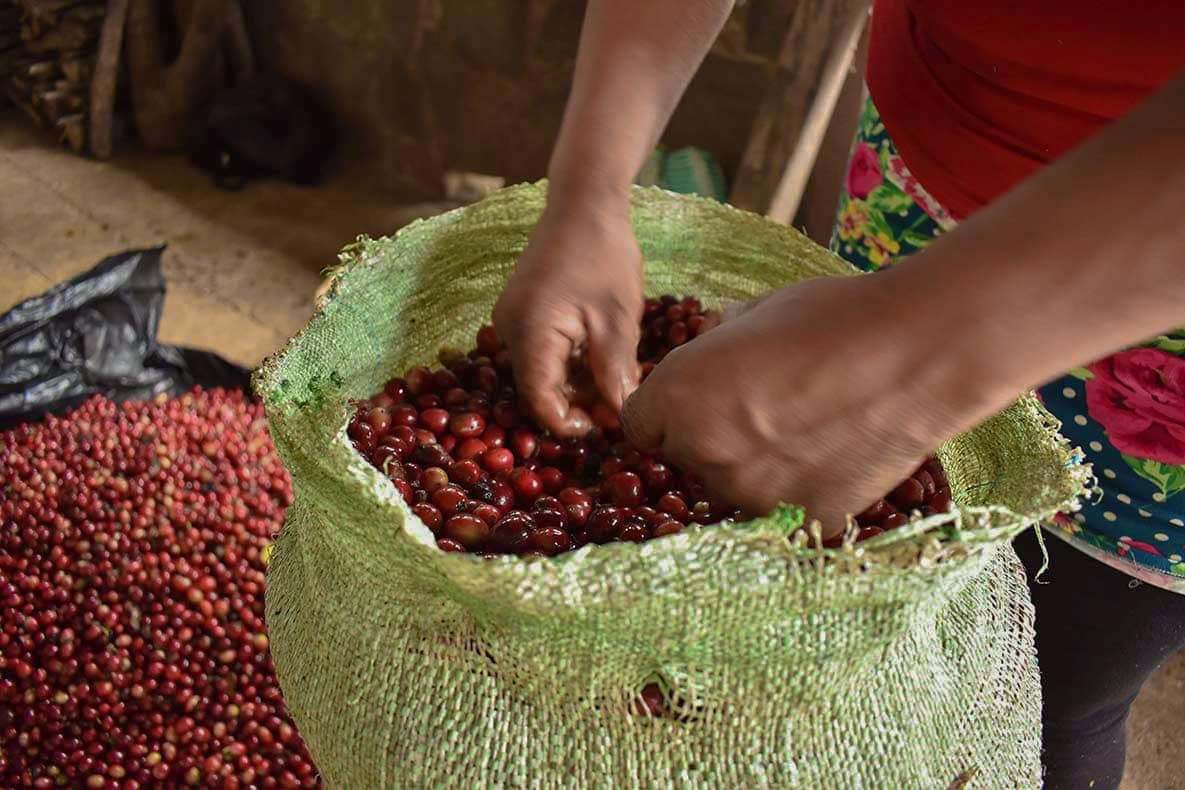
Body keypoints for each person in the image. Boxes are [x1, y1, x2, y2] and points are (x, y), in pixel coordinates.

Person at [491, 1, 1185, 786]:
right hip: (917, 183)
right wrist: (589, 188)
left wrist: (912, 359)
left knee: (1056, 686)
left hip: (1161, 319)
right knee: (843, 639)